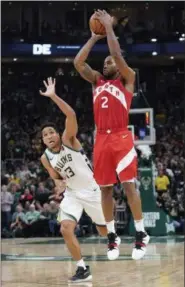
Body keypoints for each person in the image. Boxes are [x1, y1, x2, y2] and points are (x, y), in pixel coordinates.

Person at [74, 9, 149, 260]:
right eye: (104, 62)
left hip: (121, 136)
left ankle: (140, 233)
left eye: (110, 61)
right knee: (105, 190)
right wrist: (94, 37)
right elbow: (78, 63)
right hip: (101, 140)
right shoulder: (97, 81)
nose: (107, 63)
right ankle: (112, 236)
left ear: (119, 65)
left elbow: (116, 53)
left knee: (129, 185)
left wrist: (108, 28)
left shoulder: (128, 79)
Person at [39, 78, 115, 283]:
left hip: (91, 190)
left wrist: (53, 96)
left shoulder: (68, 140)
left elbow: (71, 115)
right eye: (45, 135)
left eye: (51, 132)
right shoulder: (45, 158)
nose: (49, 136)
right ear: (43, 140)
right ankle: (82, 268)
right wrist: (59, 184)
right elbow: (55, 178)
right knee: (65, 228)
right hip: (72, 193)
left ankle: (111, 227)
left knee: (102, 231)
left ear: (57, 133)